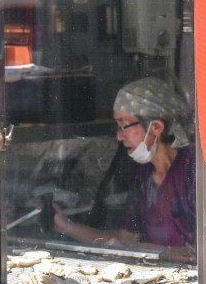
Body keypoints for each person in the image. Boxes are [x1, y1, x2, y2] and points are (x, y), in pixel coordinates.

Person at [51, 77, 196, 263]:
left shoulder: (192, 171)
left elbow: (200, 253)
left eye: (124, 125)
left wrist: (135, 249)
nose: (119, 136)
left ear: (156, 127)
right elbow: (126, 239)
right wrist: (65, 225)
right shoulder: (144, 175)